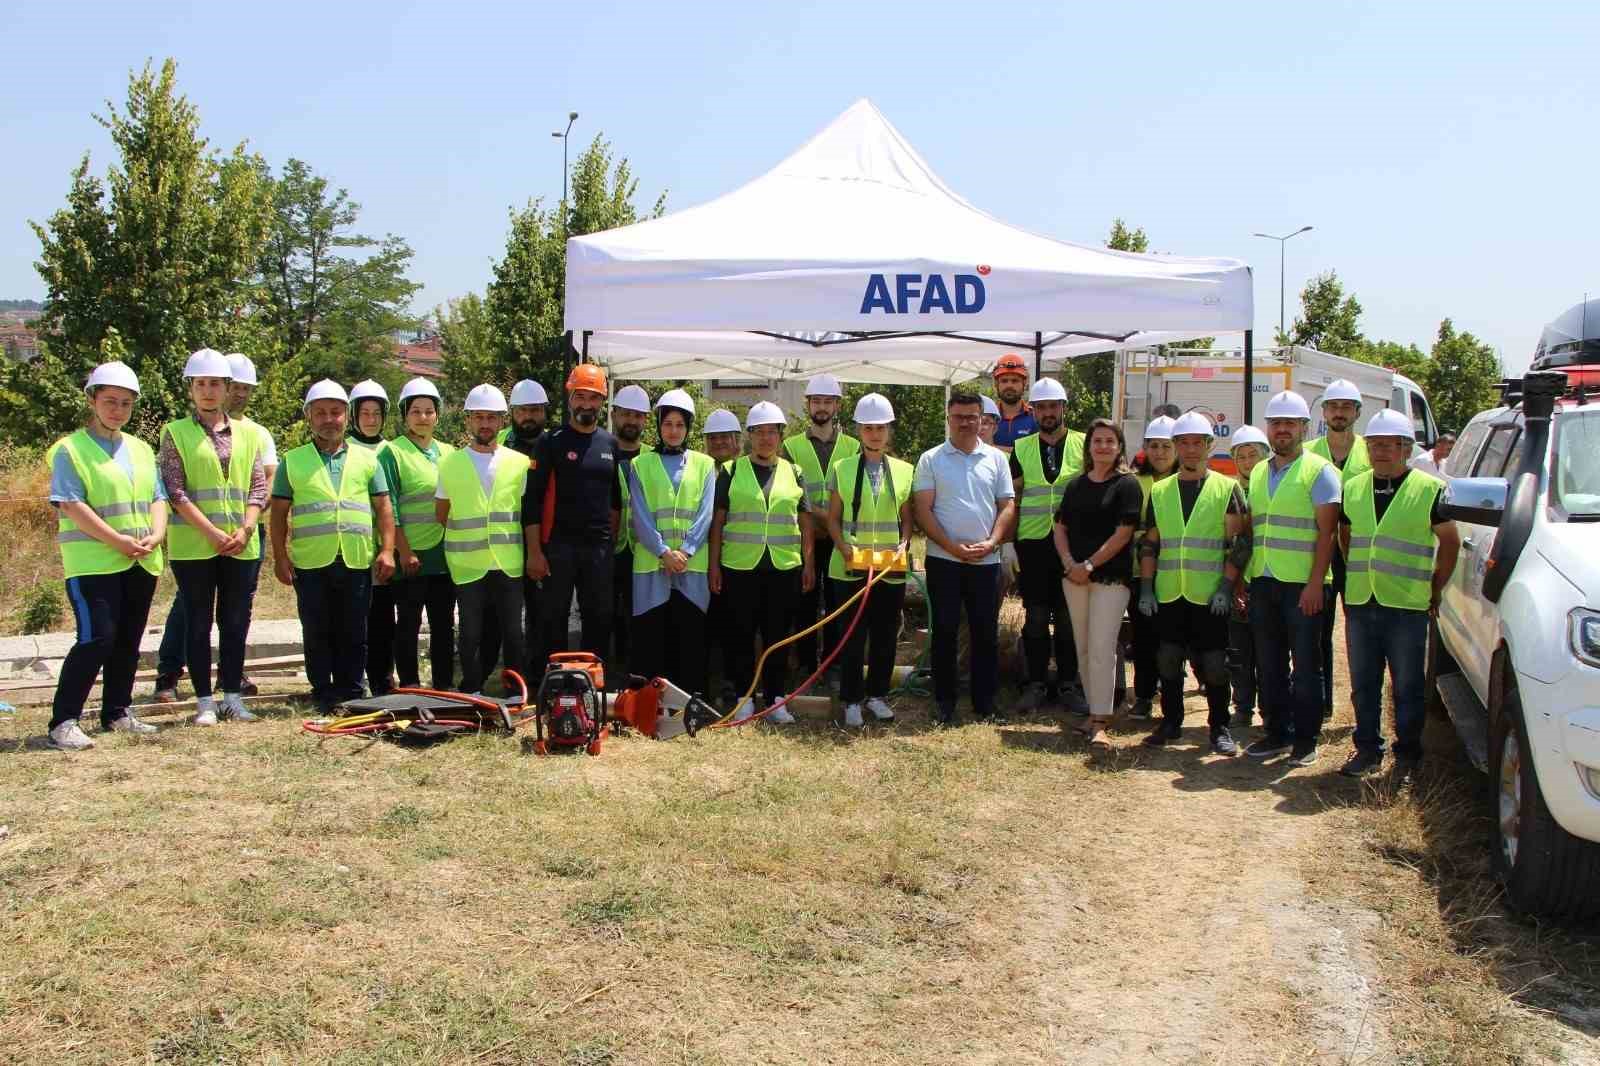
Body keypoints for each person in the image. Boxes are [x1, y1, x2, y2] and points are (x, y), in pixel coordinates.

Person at [44, 362, 169, 750]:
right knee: (96, 638)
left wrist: (158, 534)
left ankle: (117, 711)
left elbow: (157, 497)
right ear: (92, 400)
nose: (118, 410)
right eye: (110, 401)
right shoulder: (70, 450)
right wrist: (117, 540)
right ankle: (64, 720)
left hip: (140, 559)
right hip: (94, 562)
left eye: (126, 403)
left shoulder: (141, 449)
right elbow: (70, 504)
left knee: (128, 640)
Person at [1338, 410, 1460, 778]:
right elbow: (1345, 537)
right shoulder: (1355, 487)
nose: (1382, 452)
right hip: (1361, 602)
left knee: (1407, 685)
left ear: (1406, 449)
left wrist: (1434, 588)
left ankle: (1407, 753)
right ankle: (1367, 750)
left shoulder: (1430, 489)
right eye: (1375, 445)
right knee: (1363, 683)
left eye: (1391, 445)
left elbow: (1450, 543)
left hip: (1407, 605)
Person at [152, 353, 277, 703]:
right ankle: (175, 678)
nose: (215, 392)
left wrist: (248, 527)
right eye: (201, 384)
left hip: (242, 538)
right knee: (194, 615)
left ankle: (231, 685)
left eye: (238, 388)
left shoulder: (254, 433)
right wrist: (212, 532)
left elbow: (262, 482)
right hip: (196, 541)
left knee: (235, 617)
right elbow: (175, 489)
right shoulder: (177, 431)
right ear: (192, 388)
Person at [271, 380, 396, 713]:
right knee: (317, 628)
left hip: (355, 559)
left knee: (354, 628)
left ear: (347, 416)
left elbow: (384, 507)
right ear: (309, 417)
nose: (329, 419)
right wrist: (280, 557)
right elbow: (279, 514)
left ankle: (352, 690)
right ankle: (323, 690)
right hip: (311, 562)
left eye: (336, 412)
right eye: (321, 413)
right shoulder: (292, 461)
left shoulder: (368, 459)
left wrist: (386, 550)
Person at [1137, 412, 1248, 756]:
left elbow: (1239, 545)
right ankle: (1171, 722)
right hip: (1170, 593)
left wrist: (1226, 589)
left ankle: (1219, 726)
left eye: (1196, 443)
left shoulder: (1226, 488)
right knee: (1168, 659)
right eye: (1182, 443)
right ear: (1174, 447)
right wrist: (1145, 587)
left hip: (1208, 593)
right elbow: (1151, 543)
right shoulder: (1160, 490)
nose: (1189, 450)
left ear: (1209, 446)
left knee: (1214, 664)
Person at [1243, 390, 1342, 766]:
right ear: (1268, 428)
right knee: (1268, 663)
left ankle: (1306, 739)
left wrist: (1316, 584)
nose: (1282, 429)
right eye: (1276, 423)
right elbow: (1257, 529)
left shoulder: (1320, 471)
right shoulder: (1257, 471)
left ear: (1303, 427)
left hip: (1303, 585)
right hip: (1265, 580)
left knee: (1305, 665)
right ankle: (1276, 732)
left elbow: (1327, 533)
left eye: (1290, 423)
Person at [914, 391, 1016, 726]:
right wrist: (950, 546)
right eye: (958, 416)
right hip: (944, 561)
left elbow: (1007, 506)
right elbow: (923, 510)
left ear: (982, 420)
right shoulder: (931, 459)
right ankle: (944, 702)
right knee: (943, 632)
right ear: (948, 418)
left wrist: (992, 542)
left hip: (985, 562)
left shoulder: (996, 459)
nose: (966, 422)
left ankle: (984, 703)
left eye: (972, 416)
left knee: (984, 633)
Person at [710, 401, 812, 723]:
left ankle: (775, 698)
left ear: (781, 436)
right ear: (749, 435)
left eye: (772, 432)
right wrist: (714, 566)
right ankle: (744, 697)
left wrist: (808, 564)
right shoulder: (731, 471)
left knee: (777, 636)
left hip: (783, 568)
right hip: (740, 567)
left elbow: (805, 521)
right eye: (759, 432)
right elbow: (718, 522)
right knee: (739, 635)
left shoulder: (794, 472)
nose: (766, 438)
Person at [1052, 419, 1143, 749]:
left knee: (1103, 649)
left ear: (1119, 446)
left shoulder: (1127, 485)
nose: (1103, 446)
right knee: (1084, 648)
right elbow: (1059, 527)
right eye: (1097, 441)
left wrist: (1089, 565)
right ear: (1088, 446)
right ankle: (1092, 713)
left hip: (1110, 579)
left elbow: (1123, 533)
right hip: (1074, 578)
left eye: (1110, 441)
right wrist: (1069, 564)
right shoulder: (1076, 486)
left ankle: (1102, 720)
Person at [826, 393, 914, 728]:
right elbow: (833, 518)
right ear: (860, 431)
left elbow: (907, 517)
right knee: (851, 635)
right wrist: (842, 545)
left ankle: (877, 696)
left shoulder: (905, 471)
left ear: (889, 431)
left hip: (889, 567)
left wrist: (905, 543)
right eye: (868, 428)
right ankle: (851, 699)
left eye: (880, 427)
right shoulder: (843, 468)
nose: (875, 433)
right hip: (850, 566)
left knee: (885, 634)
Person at [525, 364, 621, 664]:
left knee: (600, 616)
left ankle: (592, 683)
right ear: (570, 397)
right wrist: (534, 552)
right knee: (552, 616)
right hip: (558, 547)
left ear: (602, 402)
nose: (586, 404)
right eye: (581, 396)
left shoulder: (610, 443)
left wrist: (609, 543)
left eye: (593, 398)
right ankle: (550, 682)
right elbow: (532, 502)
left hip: (598, 549)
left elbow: (616, 502)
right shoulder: (550, 442)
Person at [437, 384, 529, 694]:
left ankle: (515, 691)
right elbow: (442, 513)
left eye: (492, 417)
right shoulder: (449, 463)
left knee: (513, 633)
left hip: (508, 562)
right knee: (470, 633)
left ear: (503, 421)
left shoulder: (519, 463)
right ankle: (473, 689)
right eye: (478, 417)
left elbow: (525, 513)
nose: (485, 424)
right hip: (467, 563)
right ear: (468, 421)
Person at [628, 389, 719, 704]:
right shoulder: (640, 465)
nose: (674, 430)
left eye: (680, 424)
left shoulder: (706, 465)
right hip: (652, 566)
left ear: (688, 428)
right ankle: (650, 705)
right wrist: (664, 552)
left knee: (691, 639)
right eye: (668, 423)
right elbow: (639, 515)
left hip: (691, 568)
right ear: (659, 425)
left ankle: (691, 703)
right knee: (653, 639)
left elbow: (706, 513)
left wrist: (687, 551)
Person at [1009, 377, 1087, 714]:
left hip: (1072, 546)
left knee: (1070, 620)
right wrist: (1008, 544)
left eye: (1054, 406)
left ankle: (1069, 684)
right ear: (1033, 411)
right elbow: (1011, 499)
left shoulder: (1085, 444)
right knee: (1036, 618)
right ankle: (1036, 684)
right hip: (1034, 545)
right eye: (1041, 407)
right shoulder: (1022, 449)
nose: (1048, 413)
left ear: (1064, 408)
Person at [783, 374, 859, 685]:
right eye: (817, 401)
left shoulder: (853, 446)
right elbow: (790, 493)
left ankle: (833, 664)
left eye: (828, 402)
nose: (822, 407)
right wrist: (822, 515)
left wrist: (832, 522)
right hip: (806, 538)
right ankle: (805, 665)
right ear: (808, 405)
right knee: (806, 602)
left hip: (840, 539)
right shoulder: (790, 446)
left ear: (837, 405)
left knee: (839, 604)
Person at [1306, 379, 1368, 721]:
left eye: (1346, 407)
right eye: (1333, 406)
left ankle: (1362, 708)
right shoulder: (1309, 453)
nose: (1339, 412)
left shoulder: (1370, 452)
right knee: (1319, 632)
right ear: (1324, 412)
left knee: (1360, 634)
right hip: (1320, 551)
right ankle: (1323, 703)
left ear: (1357, 412)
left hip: (1359, 553)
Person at [389, 377, 457, 690]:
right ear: (405, 415)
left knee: (444, 625)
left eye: (429, 411)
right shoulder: (393, 452)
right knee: (408, 624)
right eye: (415, 411)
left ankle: (443, 685)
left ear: (438, 415)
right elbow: (390, 507)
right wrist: (403, 551)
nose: (423, 417)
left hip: (444, 555)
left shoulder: (449, 453)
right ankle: (411, 684)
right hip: (411, 555)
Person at [347, 379, 398, 696]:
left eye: (376, 413)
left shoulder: (389, 450)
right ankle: (356, 676)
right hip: (354, 547)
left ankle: (382, 675)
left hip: (384, 550)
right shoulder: (345, 449)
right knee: (356, 618)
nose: (370, 419)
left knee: (383, 618)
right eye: (364, 413)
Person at [1127, 415, 1177, 718]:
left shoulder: (1186, 481)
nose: (1160, 452)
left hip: (1175, 572)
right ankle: (1144, 695)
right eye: (1154, 446)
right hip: (1137, 571)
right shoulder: (1134, 482)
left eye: (1166, 446)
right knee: (1143, 637)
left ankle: (1172, 693)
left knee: (1171, 638)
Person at [1226, 425, 1269, 730]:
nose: (1248, 460)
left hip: (1268, 581)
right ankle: (1242, 707)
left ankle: (1271, 708)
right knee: (1239, 650)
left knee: (1269, 650)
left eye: (1253, 454)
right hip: (1237, 580)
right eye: (1242, 455)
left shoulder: (1273, 490)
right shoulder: (1229, 491)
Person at [700, 406, 744, 700]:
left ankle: (731, 681)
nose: (718, 443)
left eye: (724, 437)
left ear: (737, 440)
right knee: (704, 625)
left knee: (734, 626)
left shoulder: (745, 471)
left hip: (734, 561)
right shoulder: (699, 468)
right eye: (713, 438)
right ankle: (706, 681)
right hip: (698, 560)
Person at [610, 384, 652, 669]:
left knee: (640, 611)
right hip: (609, 549)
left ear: (646, 420)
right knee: (608, 612)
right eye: (626, 414)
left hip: (643, 550)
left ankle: (636, 668)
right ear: (614, 415)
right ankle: (611, 668)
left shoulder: (653, 458)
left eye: (637, 416)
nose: (631, 421)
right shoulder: (601, 450)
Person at [990, 352, 1037, 450]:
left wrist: (994, 448)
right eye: (1004, 381)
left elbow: (1038, 453)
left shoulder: (1035, 417)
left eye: (1015, 381)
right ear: (996, 384)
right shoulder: (987, 417)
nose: (1009, 385)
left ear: (1024, 384)